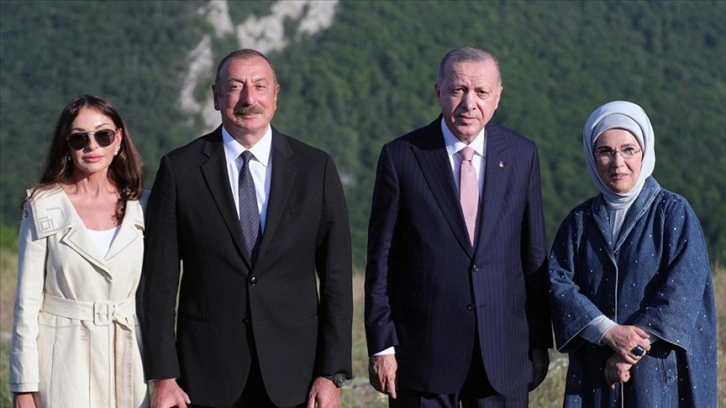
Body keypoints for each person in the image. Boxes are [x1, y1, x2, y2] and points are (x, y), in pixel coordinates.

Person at [141, 48, 353, 408]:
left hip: (296, 376)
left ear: (275, 95)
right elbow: (159, 283)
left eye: (259, 86)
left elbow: (337, 278)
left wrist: (331, 373)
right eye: (235, 87)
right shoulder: (180, 170)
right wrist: (164, 376)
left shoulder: (315, 168)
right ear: (216, 96)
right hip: (205, 376)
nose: (248, 99)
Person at [364, 47, 552, 407]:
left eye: (481, 92)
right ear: (438, 92)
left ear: (497, 97)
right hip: (423, 358)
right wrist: (382, 346)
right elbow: (381, 259)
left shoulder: (522, 154)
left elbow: (533, 255)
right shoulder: (401, 156)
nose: (469, 104)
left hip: (503, 356)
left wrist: (539, 342)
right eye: (458, 90)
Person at [548, 100, 717, 407]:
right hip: (595, 372)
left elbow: (683, 290)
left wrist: (629, 352)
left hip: (659, 373)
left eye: (628, 150)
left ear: (644, 152)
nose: (618, 163)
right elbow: (558, 283)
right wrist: (608, 332)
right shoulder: (579, 222)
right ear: (591, 156)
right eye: (605, 151)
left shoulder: (672, 213)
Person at [8, 95, 148, 407]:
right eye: (79, 138)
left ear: (118, 140)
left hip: (129, 358)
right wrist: (23, 386)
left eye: (103, 135)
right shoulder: (42, 205)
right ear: (66, 146)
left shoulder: (144, 207)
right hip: (63, 360)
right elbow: (27, 303)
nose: (92, 146)